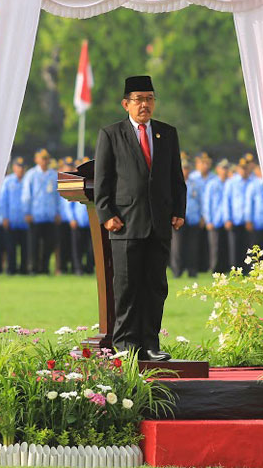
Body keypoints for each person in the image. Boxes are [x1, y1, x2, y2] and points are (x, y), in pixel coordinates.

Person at [94, 75, 186, 361]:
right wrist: (106, 214)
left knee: (155, 287)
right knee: (127, 287)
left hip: (159, 223)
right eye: (138, 99)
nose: (144, 105)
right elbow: (102, 179)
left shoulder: (166, 133)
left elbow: (176, 176)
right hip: (125, 223)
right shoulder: (111, 134)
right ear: (126, 104)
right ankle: (125, 345)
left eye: (149, 99)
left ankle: (150, 344)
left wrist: (178, 211)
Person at [22, 149, 61, 275]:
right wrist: (27, 212)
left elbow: (58, 196)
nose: (44, 161)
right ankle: (33, 268)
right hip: (35, 215)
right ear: (36, 160)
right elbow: (26, 195)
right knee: (34, 244)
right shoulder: (31, 174)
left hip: (49, 215)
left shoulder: (53, 175)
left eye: (46, 158)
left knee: (48, 244)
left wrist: (58, 212)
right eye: (42, 158)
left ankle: (44, 268)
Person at [170, 159, 204, 277]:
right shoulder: (174, 182)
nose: (185, 171)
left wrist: (202, 216)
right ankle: (177, 271)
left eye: (187, 168)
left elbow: (201, 201)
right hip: (177, 218)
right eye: (183, 168)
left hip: (193, 218)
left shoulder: (195, 183)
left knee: (193, 247)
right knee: (177, 247)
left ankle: (192, 270)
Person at [0, 157, 29, 275]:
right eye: (18, 166)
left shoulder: (28, 180)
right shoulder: (8, 181)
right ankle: (11, 269)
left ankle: (24, 269)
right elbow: (3, 201)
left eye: (22, 167)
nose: (20, 169)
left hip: (25, 221)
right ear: (14, 168)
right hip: (11, 220)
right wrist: (4, 217)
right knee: (11, 247)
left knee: (25, 247)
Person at [223, 157, 253, 269]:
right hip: (235, 219)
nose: (244, 171)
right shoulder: (231, 183)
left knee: (248, 247)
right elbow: (226, 201)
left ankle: (247, 270)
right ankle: (235, 269)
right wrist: (227, 218)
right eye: (242, 168)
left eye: (246, 168)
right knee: (234, 247)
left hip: (248, 221)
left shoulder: (253, 182)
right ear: (238, 169)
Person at [202, 159, 230, 274]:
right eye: (223, 168)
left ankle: (225, 268)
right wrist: (208, 220)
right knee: (215, 246)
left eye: (226, 168)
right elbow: (207, 203)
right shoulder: (212, 184)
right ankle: (214, 268)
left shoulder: (230, 183)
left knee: (225, 245)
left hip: (226, 220)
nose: (225, 171)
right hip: (215, 220)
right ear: (218, 169)